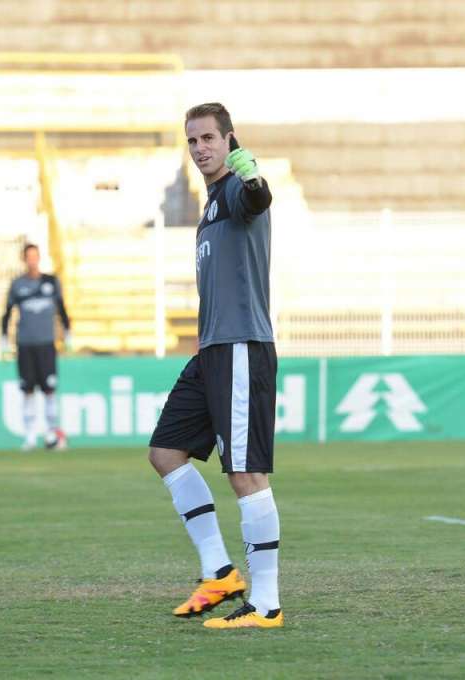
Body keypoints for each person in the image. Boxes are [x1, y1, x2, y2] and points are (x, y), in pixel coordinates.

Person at [147, 103, 282, 629]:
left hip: (242, 345)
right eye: (193, 141)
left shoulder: (233, 191)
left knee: (247, 475)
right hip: (212, 353)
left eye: (209, 138)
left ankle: (267, 604)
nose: (201, 148)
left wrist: (253, 176)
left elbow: (258, 198)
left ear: (229, 141)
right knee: (165, 452)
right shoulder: (209, 207)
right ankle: (220, 573)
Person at [0, 243, 71, 451]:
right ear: (24, 259)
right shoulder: (17, 284)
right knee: (28, 390)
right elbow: (6, 314)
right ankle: (30, 436)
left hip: (46, 344)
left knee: (49, 389)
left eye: (35, 256)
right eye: (28, 257)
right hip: (25, 344)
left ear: (39, 258)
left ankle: (51, 433)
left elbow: (62, 310)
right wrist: (4, 341)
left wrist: (67, 334)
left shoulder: (51, 282)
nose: (32, 260)